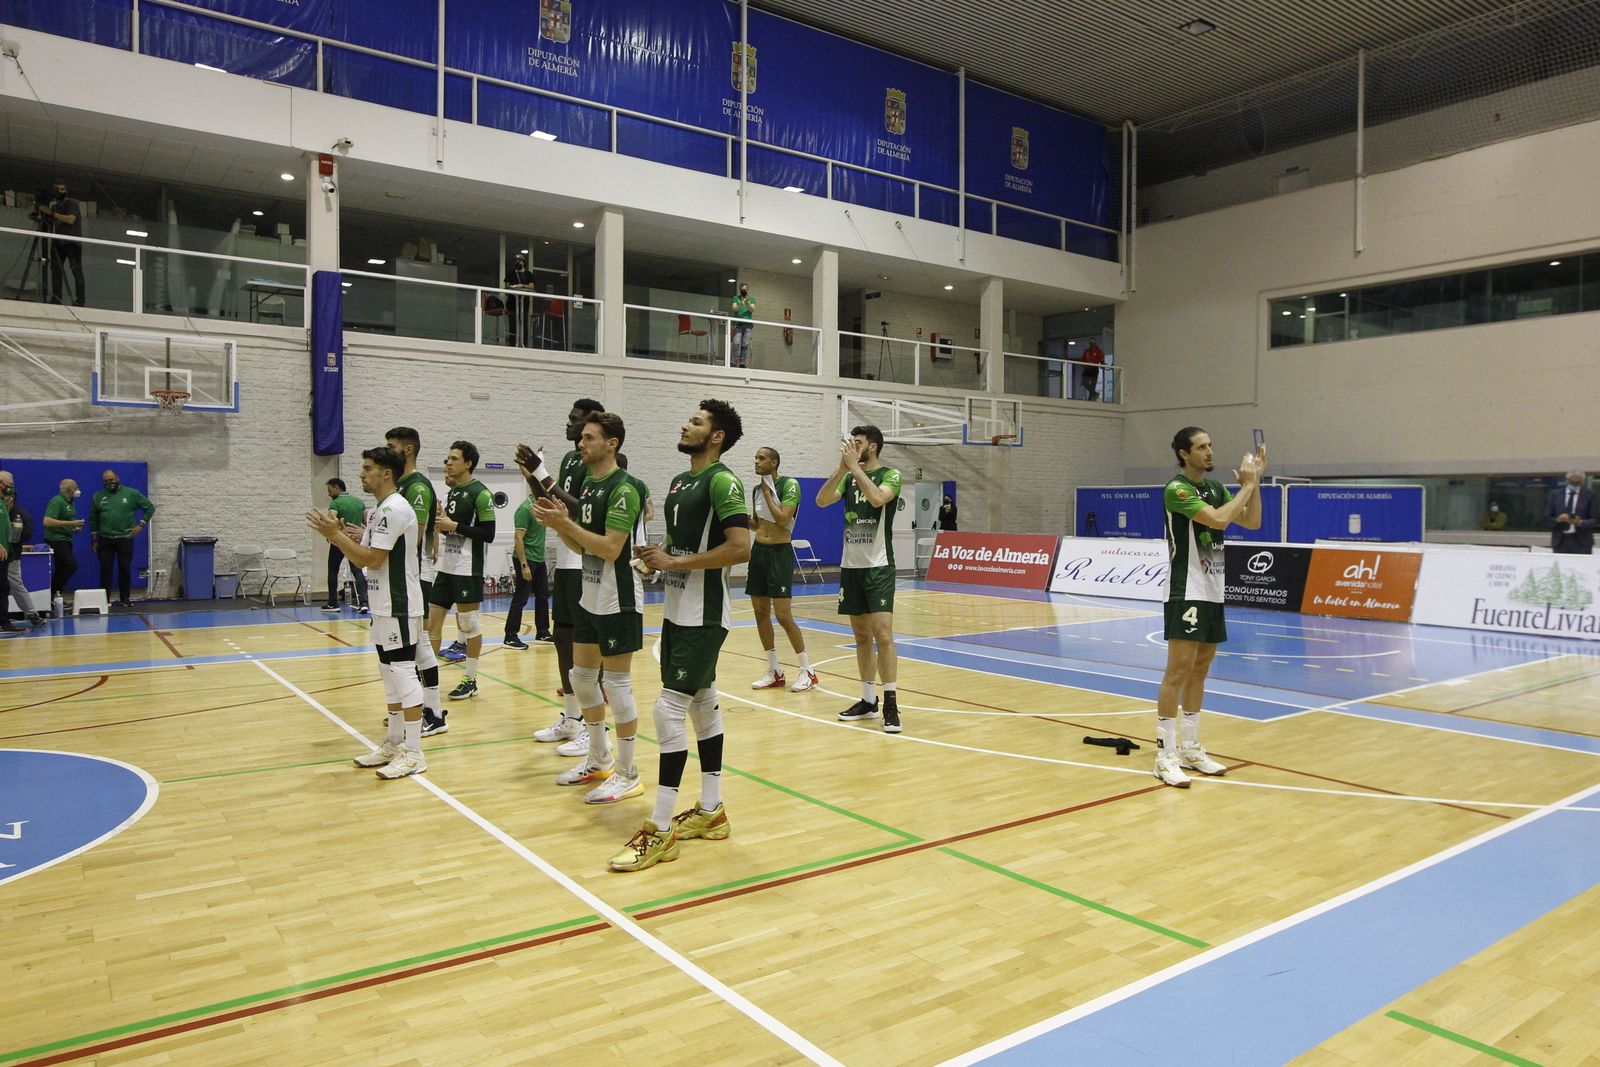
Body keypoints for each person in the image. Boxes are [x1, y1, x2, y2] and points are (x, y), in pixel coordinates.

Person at [613, 400, 750, 872]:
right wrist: (657, 553)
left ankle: (661, 827)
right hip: (676, 612)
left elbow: (739, 548)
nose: (685, 424)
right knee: (702, 703)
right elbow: (686, 543)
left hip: (705, 614)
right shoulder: (680, 482)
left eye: (696, 422)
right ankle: (712, 812)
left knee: (667, 708)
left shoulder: (723, 480)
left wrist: (677, 562)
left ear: (716, 437)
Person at [532, 411, 650, 804]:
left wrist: (566, 526)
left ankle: (628, 773)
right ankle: (599, 758)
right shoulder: (588, 484)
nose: (580, 444)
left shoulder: (625, 487)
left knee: (616, 686)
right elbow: (580, 547)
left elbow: (612, 547)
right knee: (581, 677)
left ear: (611, 444)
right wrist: (560, 526)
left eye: (588, 438)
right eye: (581, 438)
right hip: (589, 594)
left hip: (619, 599)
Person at [1153, 426, 1266, 788]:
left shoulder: (1216, 489)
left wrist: (1256, 482)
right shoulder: (1177, 489)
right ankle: (1164, 754)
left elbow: (1251, 521)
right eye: (1201, 447)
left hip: (1214, 589)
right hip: (1187, 590)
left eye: (1211, 446)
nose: (1209, 452)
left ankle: (1190, 747)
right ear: (1184, 454)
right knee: (1178, 671)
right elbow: (1218, 520)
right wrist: (1245, 486)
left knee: (1200, 669)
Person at [308, 446, 428, 779]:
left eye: (368, 468)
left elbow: (370, 560)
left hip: (399, 604)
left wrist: (334, 536)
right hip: (382, 604)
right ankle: (393, 742)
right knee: (389, 675)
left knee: (403, 675)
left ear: (386, 473)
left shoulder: (394, 509)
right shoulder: (379, 512)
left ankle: (415, 752)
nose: (362, 474)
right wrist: (347, 537)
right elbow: (371, 551)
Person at [524, 398, 607, 753]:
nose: (568, 423)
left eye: (575, 420)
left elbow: (581, 508)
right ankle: (571, 719)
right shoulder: (570, 458)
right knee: (562, 637)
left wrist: (543, 476)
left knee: (588, 643)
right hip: (567, 554)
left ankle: (593, 726)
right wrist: (533, 479)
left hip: (588, 557)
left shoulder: (600, 464)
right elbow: (553, 502)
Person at [816, 425, 904, 733]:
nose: (852, 446)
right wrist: (842, 470)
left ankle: (891, 704)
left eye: (858, 442)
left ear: (874, 447)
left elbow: (878, 499)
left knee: (884, 636)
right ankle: (868, 700)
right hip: (851, 567)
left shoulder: (891, 475)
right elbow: (822, 501)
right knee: (862, 638)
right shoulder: (850, 477)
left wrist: (854, 468)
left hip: (878, 566)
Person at [386, 427, 448, 736]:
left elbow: (417, 535)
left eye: (392, 446)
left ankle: (433, 712)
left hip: (417, 573)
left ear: (408, 450)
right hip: (406, 574)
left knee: (419, 643)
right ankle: (425, 710)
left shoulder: (417, 487)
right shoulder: (400, 485)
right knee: (419, 644)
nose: (388, 451)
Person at [428, 441, 496, 701]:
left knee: (468, 623)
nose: (448, 463)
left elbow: (488, 534)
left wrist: (453, 525)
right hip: (446, 567)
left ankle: (470, 678)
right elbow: (446, 527)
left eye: (453, 458)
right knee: (431, 625)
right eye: (447, 458)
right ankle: (427, 682)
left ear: (468, 463)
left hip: (468, 568)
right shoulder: (450, 493)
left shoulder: (481, 493)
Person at [748, 445, 817, 692]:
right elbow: (756, 524)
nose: (756, 461)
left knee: (783, 615)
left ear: (774, 463)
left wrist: (767, 490)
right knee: (759, 612)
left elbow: (782, 519)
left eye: (761, 458)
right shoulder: (756, 489)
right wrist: (730, 513)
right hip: (759, 552)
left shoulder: (789, 485)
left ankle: (807, 669)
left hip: (779, 553)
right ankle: (774, 669)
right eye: (756, 457)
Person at [90, 469, 154, 608]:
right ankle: (104, 600)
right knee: (105, 569)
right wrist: (94, 539)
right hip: (105, 539)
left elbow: (150, 508)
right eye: (106, 481)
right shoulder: (98, 496)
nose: (109, 483)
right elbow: (93, 519)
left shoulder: (132, 493)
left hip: (125, 538)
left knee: (124, 568)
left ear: (117, 478)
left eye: (111, 480)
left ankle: (125, 599)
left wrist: (140, 525)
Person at [504, 490, 551, 649]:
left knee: (543, 595)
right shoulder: (525, 510)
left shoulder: (542, 509)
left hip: (539, 558)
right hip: (526, 559)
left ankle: (543, 632)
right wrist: (524, 565)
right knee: (521, 597)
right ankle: (510, 636)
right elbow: (518, 538)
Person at [322, 478, 370, 613]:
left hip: (339, 542)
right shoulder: (359, 502)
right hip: (355, 541)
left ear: (337, 487)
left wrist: (330, 534)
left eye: (330, 490)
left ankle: (333, 603)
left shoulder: (335, 503)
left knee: (333, 571)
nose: (329, 494)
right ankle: (364, 602)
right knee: (357, 571)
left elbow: (331, 520)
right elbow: (366, 523)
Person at [2, 484, 45, 625]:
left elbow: (27, 534)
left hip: (11, 555)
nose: (6, 498)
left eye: (9, 496)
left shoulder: (20, 514)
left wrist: (16, 533)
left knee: (15, 584)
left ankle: (32, 614)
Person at [41, 178, 85, 306]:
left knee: (76, 269)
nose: (58, 191)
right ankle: (56, 299)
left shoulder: (72, 203)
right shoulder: (56, 206)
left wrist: (52, 214)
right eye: (56, 189)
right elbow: (52, 221)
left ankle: (80, 301)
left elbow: (71, 219)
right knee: (55, 270)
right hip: (58, 242)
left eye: (61, 189)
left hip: (71, 241)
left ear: (66, 191)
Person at [44, 478, 84, 607]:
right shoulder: (57, 501)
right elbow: (47, 521)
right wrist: (70, 523)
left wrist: (75, 527)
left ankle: (55, 597)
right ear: (69, 489)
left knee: (61, 568)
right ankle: (52, 595)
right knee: (71, 565)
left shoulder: (70, 502)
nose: (77, 490)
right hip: (56, 539)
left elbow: (67, 521)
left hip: (66, 539)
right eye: (76, 487)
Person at [1546, 471, 1596, 555]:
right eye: (1572, 482)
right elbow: (1546, 519)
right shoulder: (1555, 494)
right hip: (1560, 541)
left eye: (1577, 482)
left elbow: (1596, 520)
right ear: (1567, 480)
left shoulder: (1590, 495)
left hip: (1582, 542)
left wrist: (1580, 522)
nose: (1575, 485)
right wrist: (1558, 519)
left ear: (1582, 481)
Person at [504, 253, 537, 349]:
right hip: (512, 302)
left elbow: (531, 286)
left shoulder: (529, 274)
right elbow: (506, 285)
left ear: (523, 262)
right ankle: (512, 344)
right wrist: (513, 286)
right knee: (512, 323)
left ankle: (524, 344)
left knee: (524, 322)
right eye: (515, 261)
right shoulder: (510, 273)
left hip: (524, 302)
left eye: (519, 261)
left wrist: (522, 285)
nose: (517, 263)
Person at [0, 477, 15, 635]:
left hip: (4, 555)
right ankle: (4, 621)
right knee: (3, 587)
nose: (10, 488)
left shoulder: (2, 503)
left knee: (3, 587)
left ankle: (3, 620)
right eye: (8, 485)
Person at [730, 282, 754, 369]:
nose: (744, 291)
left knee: (745, 344)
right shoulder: (736, 298)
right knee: (736, 343)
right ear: (740, 290)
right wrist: (741, 303)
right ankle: (733, 362)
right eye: (742, 290)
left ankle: (742, 363)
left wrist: (747, 302)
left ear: (747, 290)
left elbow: (752, 309)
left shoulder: (751, 299)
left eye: (745, 289)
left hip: (748, 325)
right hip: (738, 324)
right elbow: (734, 308)